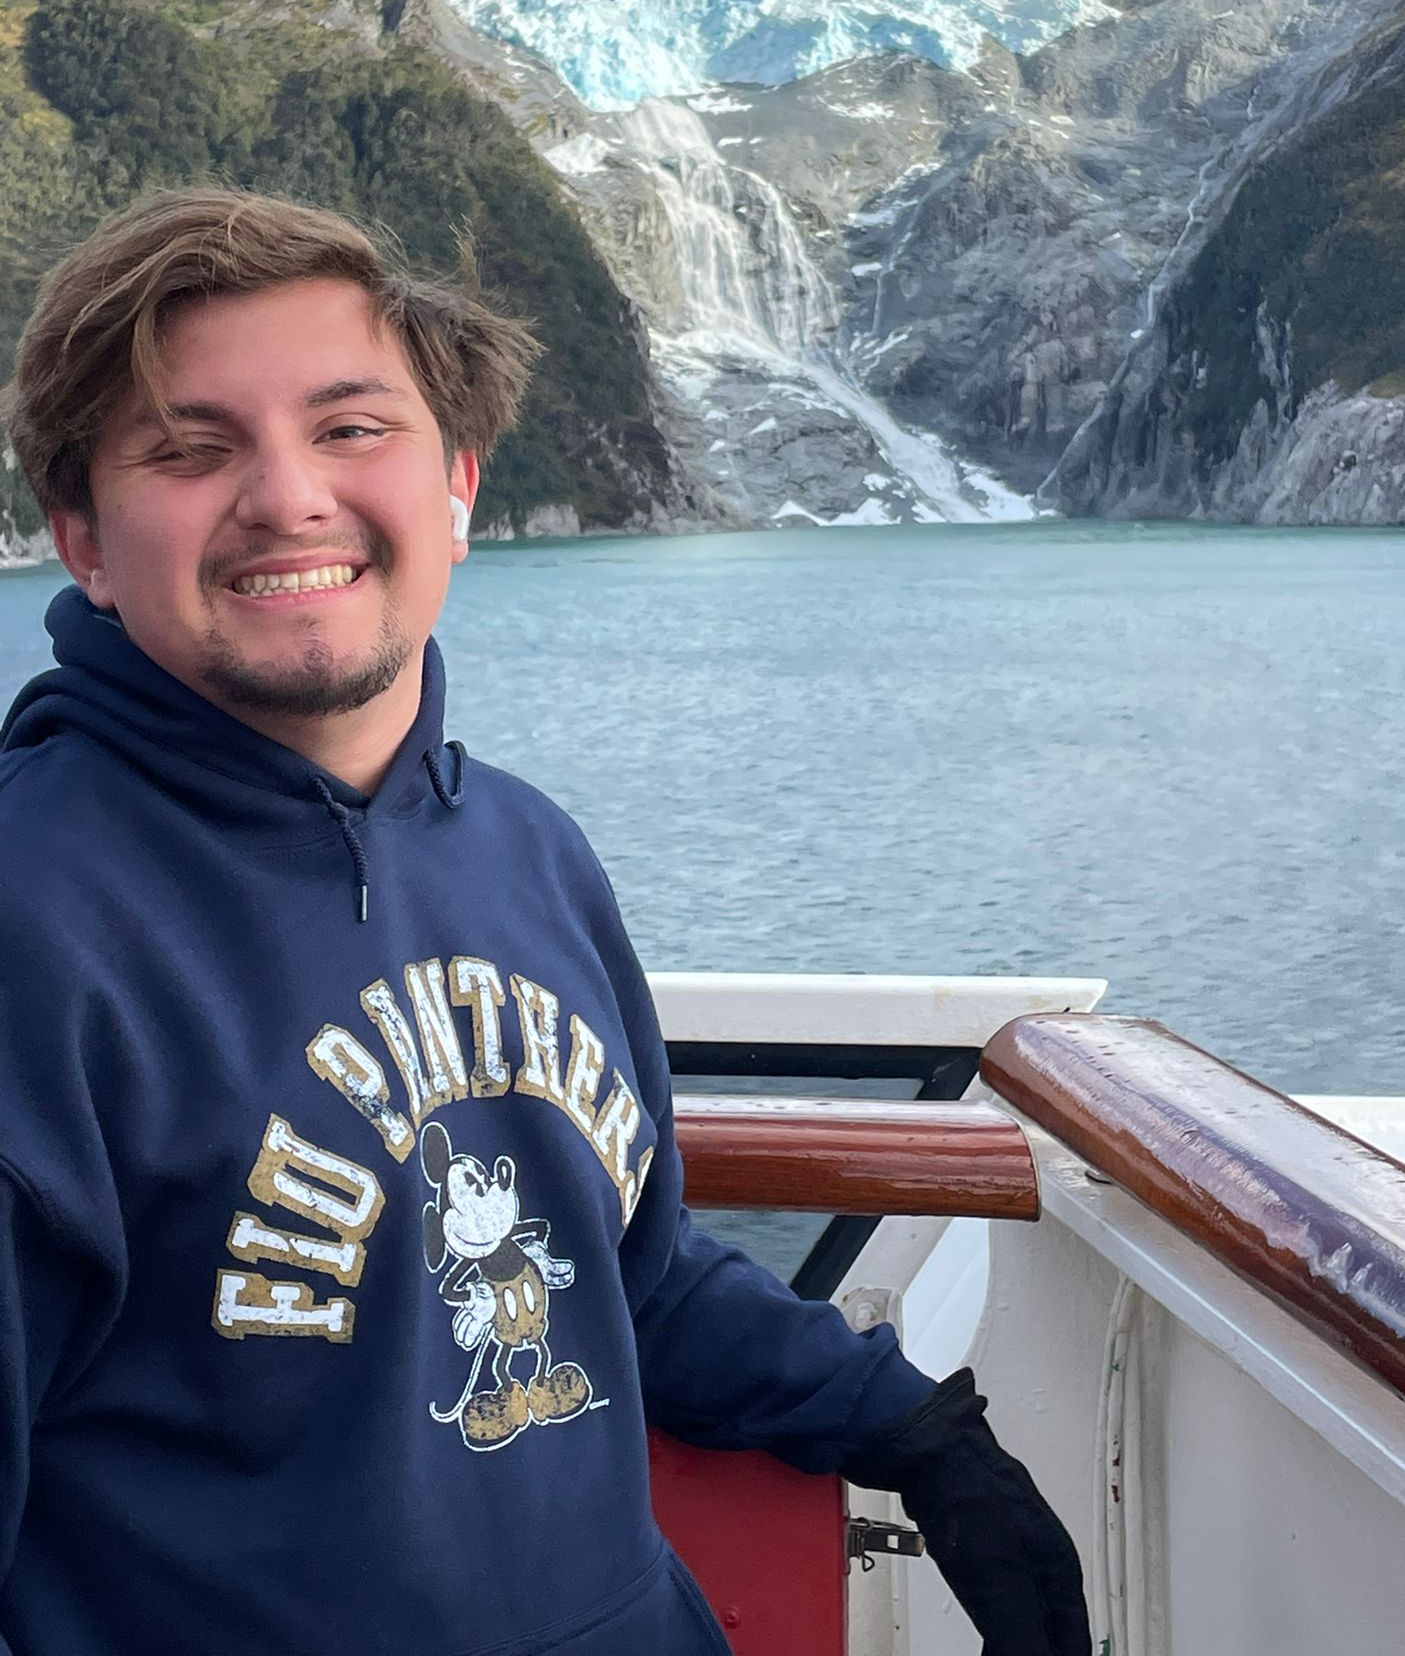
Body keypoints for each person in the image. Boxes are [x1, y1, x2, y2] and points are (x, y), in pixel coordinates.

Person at [0, 189, 1089, 1656]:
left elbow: (621, 1268)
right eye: (190, 451)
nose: (286, 497)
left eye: (349, 428)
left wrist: (913, 1429)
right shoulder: (36, 922)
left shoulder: (525, 850)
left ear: (457, 483)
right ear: (79, 529)